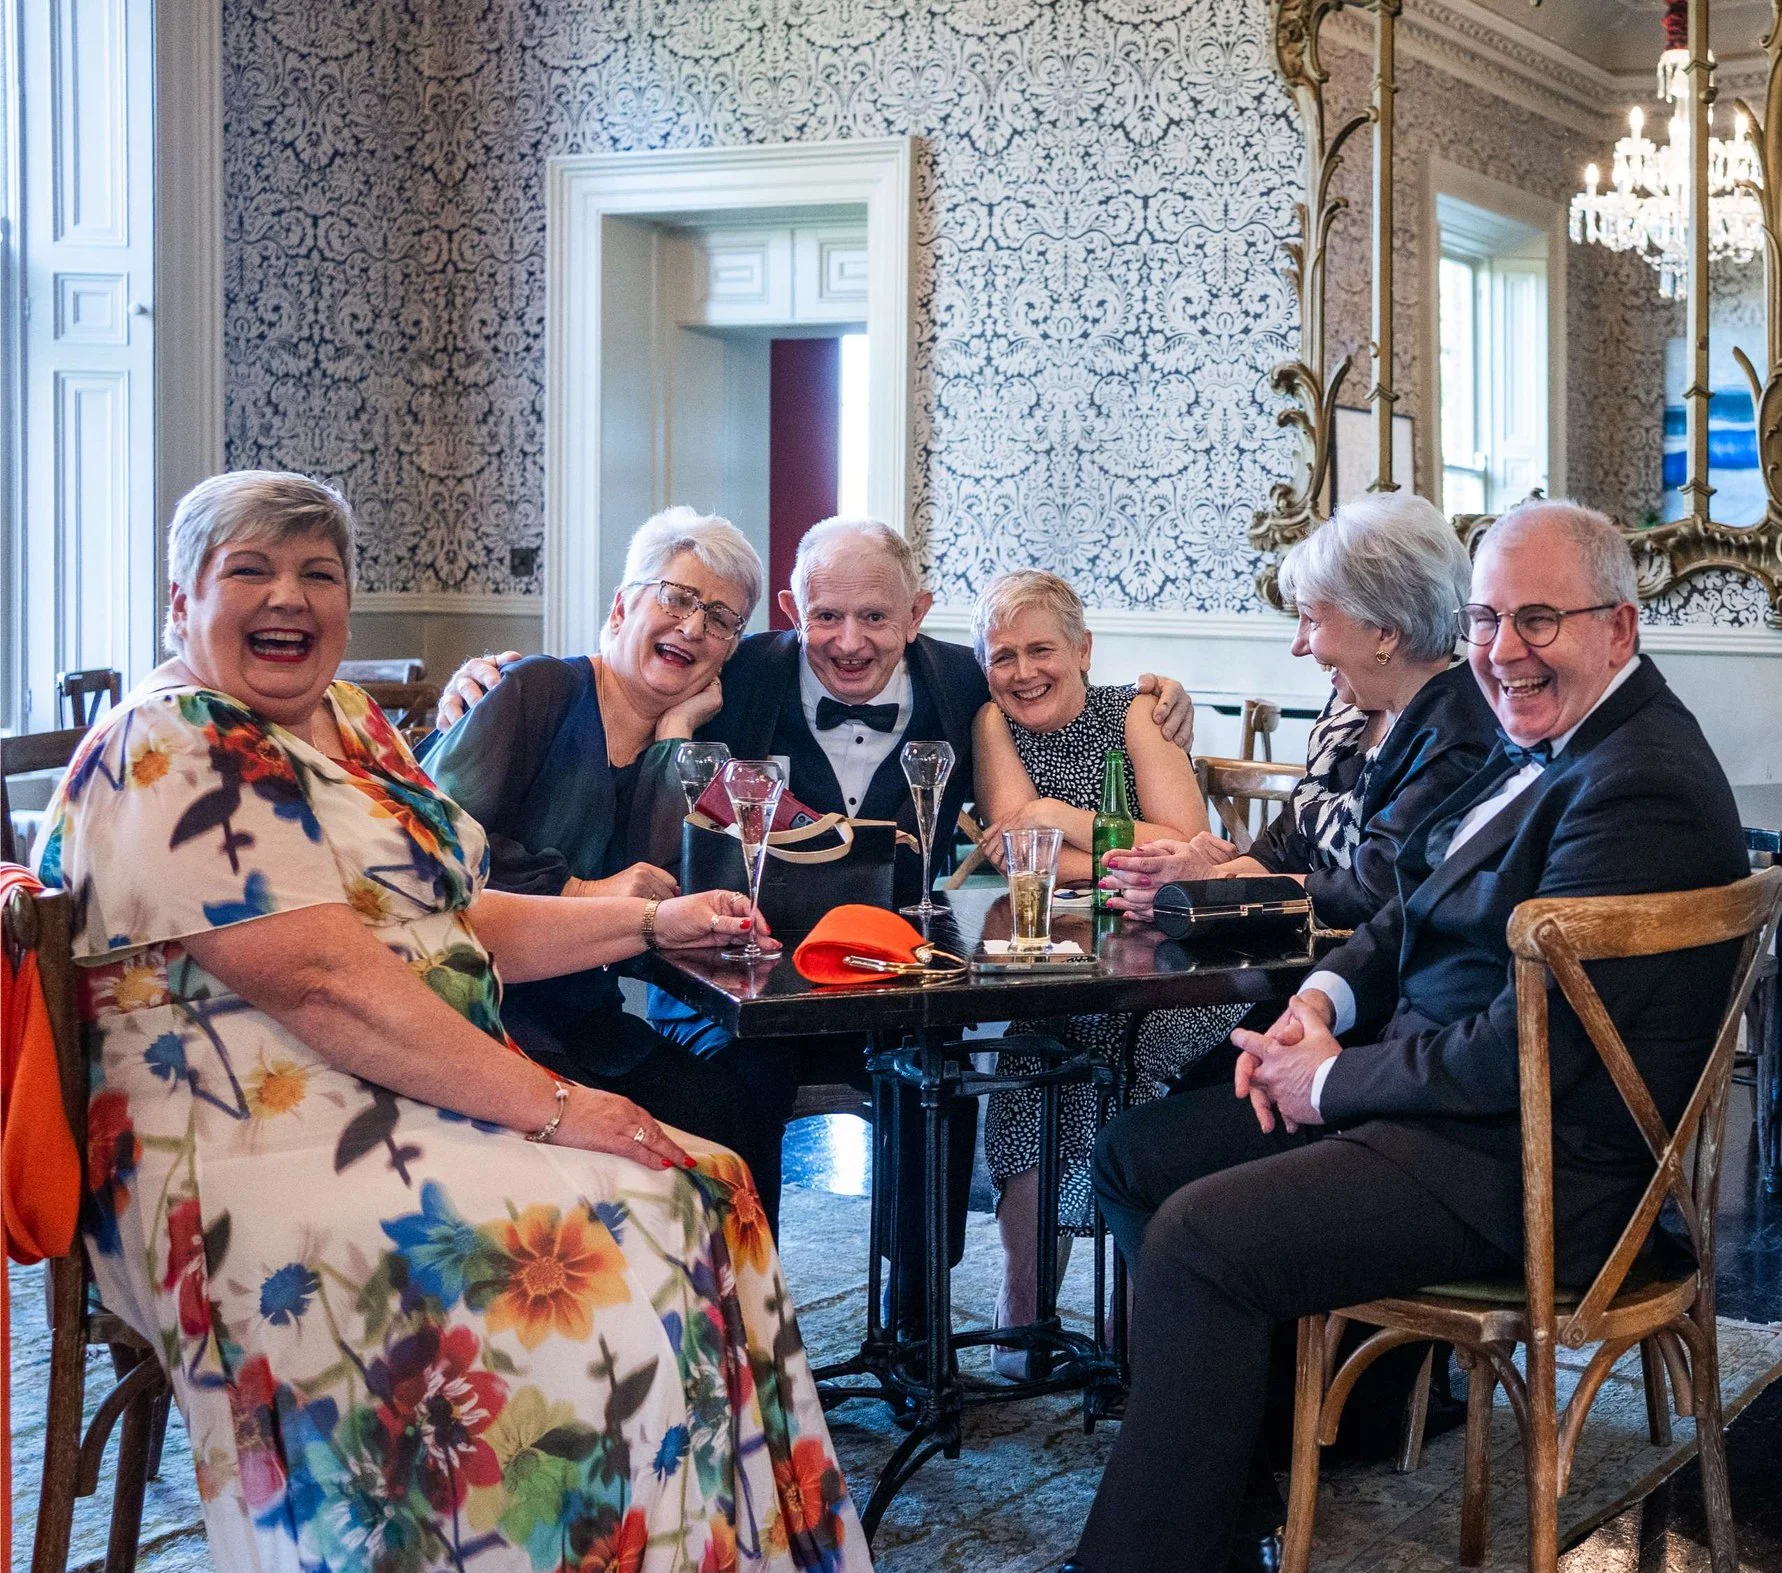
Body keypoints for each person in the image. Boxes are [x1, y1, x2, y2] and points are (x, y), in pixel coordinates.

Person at [33, 471, 972, 1573]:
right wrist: (564, 1104)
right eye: (252, 574)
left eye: (319, 574)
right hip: (243, 1140)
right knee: (580, 1263)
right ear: (181, 603)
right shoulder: (169, 745)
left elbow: (458, 918)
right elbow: (327, 985)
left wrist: (648, 926)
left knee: (706, 1185)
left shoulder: (352, 728)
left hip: (392, 1093)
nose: (290, 598)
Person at [1048, 501, 1750, 1573]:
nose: (1503, 649)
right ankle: (1226, 1497)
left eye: (1539, 620)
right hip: (1452, 1113)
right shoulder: (1554, 739)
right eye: (1486, 619)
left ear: (1620, 627)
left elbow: (1532, 1050)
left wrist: (1332, 1085)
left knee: (1202, 1239)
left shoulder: (1641, 783)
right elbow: (1412, 911)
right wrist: (1315, 1007)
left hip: (1538, 1166)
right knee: (1139, 1155)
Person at [431, 520, 1201, 1334]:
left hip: (894, 978)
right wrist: (480, 677)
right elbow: (609, 724)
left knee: (931, 1070)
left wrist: (1157, 696)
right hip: (733, 982)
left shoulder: (963, 683)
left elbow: (1055, 699)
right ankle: (750, 1311)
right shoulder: (738, 669)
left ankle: (917, 1321)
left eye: (876, 617)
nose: (849, 642)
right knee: (739, 1080)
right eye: (827, 616)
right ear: (795, 610)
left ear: (916, 613)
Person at [426, 505, 806, 1232]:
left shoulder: (693, 750)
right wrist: (582, 892)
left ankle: (738, 1332)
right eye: (678, 597)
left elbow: (671, 881)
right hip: (476, 1020)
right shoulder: (535, 690)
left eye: (721, 619)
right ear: (622, 605)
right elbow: (428, 849)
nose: (694, 628)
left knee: (731, 1114)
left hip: (586, 1024)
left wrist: (674, 732)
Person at [967, 569, 1237, 1375]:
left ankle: (1138, 1317)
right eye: (1003, 655)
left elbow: (1183, 849)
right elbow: (1022, 855)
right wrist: (1070, 840)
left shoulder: (1135, 714)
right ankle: (1024, 1315)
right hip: (1065, 968)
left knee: (1128, 1056)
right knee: (1033, 1051)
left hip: (1177, 971)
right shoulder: (993, 722)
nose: (1023, 672)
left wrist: (1061, 820)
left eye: (1042, 648)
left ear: (1083, 649)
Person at [1098, 489, 1500, 929]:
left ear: (1385, 631)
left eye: (1313, 620)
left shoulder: (1458, 728)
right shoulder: (1351, 713)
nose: (1298, 645)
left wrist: (1218, 884)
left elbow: (1375, 893)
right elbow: (1285, 845)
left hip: (1377, 979)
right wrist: (1207, 870)